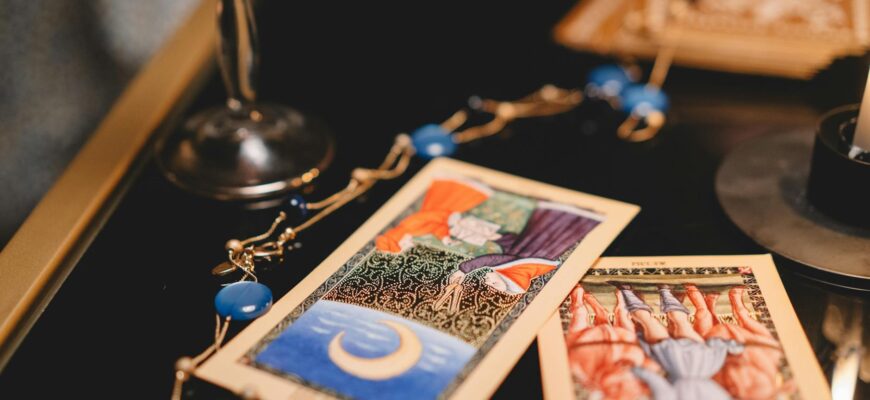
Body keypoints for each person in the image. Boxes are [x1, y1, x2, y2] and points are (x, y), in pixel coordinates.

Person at [615, 282, 740, 400]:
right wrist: (638, 371)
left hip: (693, 362)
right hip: (684, 362)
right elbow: (660, 387)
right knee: (657, 323)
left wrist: (637, 371)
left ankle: (662, 291)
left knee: (671, 323)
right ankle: (630, 291)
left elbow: (661, 389)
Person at [684, 284, 793, 399]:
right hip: (748, 352)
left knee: (705, 324)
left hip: (717, 355)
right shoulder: (761, 390)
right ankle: (736, 302)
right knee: (769, 345)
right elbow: (766, 365)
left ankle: (706, 305)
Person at [564, 285, 659, 400]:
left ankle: (579, 293)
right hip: (623, 350)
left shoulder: (589, 380)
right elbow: (652, 368)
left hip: (589, 350)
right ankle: (618, 299)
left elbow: (601, 382)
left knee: (579, 312)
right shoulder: (639, 389)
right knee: (623, 319)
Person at [375, 177, 491, 253]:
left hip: (441, 206)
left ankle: (467, 183)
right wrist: (445, 238)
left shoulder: (409, 224)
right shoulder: (413, 232)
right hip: (445, 212)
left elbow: (430, 216)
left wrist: (446, 217)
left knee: (457, 195)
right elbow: (435, 227)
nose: (409, 243)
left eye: (404, 243)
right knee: (462, 201)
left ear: (398, 237)